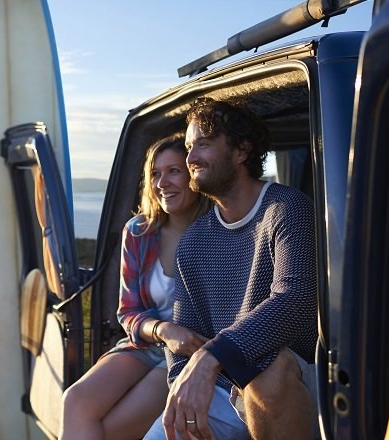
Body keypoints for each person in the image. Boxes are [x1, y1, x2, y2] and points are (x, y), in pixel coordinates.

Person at [143, 97, 318, 440]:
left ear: (241, 151)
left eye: (202, 145)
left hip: (288, 380)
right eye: (189, 147)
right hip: (223, 385)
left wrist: (212, 355)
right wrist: (184, 387)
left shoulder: (286, 209)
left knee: (268, 371)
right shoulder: (194, 240)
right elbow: (184, 332)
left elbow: (294, 300)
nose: (190, 158)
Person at [60, 134, 210, 440]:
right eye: (155, 173)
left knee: (111, 429)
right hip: (146, 343)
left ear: (195, 175)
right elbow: (128, 312)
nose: (162, 183)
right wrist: (163, 330)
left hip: (188, 355)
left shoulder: (217, 231)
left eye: (174, 171)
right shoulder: (139, 232)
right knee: (74, 401)